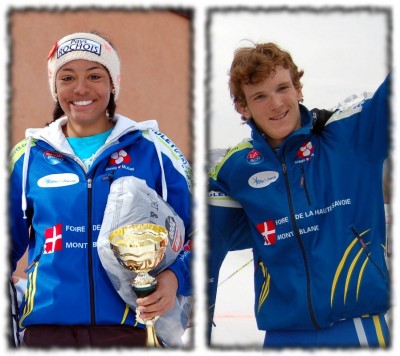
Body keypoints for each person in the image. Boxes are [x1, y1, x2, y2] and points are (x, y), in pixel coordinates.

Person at [9, 31, 192, 348]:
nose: (81, 88)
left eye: (94, 75)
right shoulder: (27, 157)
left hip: (134, 331)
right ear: (55, 87)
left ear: (113, 84)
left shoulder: (155, 150)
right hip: (48, 334)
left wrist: (175, 276)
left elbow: (203, 232)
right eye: (67, 77)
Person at [208, 42, 391, 348]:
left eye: (282, 88)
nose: (276, 104)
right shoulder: (234, 170)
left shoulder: (351, 137)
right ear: (243, 107)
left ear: (298, 89)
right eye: (260, 96)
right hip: (281, 337)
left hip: (356, 331)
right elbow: (202, 251)